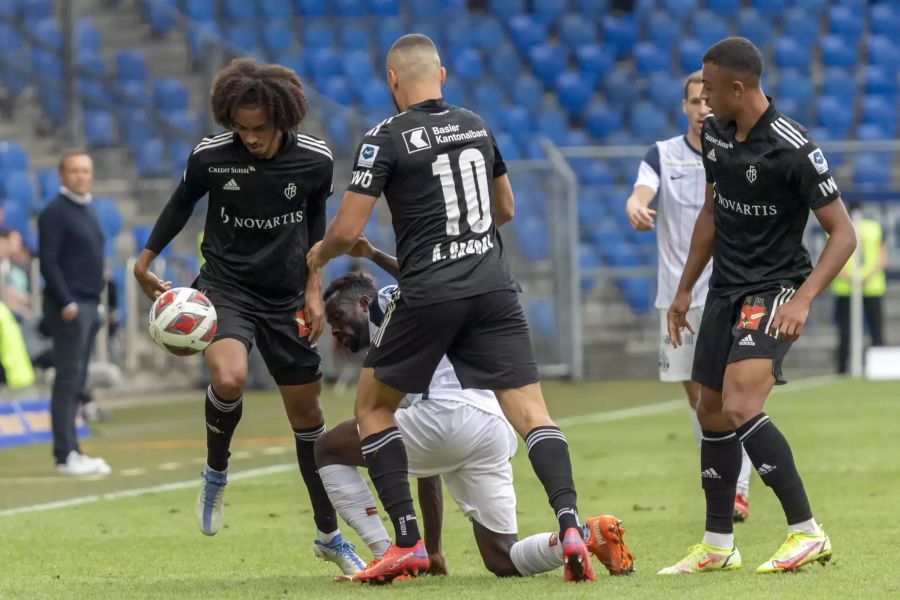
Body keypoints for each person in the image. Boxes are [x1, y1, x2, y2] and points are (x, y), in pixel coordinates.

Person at [307, 34, 598, 583]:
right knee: (535, 415)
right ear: (441, 75)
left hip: (431, 291)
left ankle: (407, 544)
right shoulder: (475, 124)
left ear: (392, 80)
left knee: (372, 410)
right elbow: (505, 208)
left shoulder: (383, 137)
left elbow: (346, 232)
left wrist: (316, 257)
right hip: (492, 286)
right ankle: (569, 524)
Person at [132, 58, 364, 574]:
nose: (250, 138)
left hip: (285, 295)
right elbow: (179, 205)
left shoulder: (315, 160)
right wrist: (144, 261)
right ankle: (216, 472)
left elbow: (316, 226)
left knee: (308, 419)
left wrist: (312, 289)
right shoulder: (212, 157)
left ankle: (328, 534)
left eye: (259, 129)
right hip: (225, 286)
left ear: (284, 118)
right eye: (240, 128)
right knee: (230, 377)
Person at [315, 244, 633, 580]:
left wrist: (374, 255)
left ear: (364, 304)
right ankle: (588, 535)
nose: (333, 329)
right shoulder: (401, 341)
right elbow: (427, 471)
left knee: (328, 449)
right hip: (489, 427)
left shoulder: (385, 305)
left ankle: (384, 553)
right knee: (503, 558)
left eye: (337, 315)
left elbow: (415, 279)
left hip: (447, 417)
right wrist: (434, 550)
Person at [660, 37, 856, 575]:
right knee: (711, 411)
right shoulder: (716, 136)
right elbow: (710, 213)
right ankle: (718, 544)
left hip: (773, 291)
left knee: (742, 403)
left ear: (739, 88)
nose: (703, 102)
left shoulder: (794, 147)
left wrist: (804, 298)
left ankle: (806, 532)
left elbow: (843, 235)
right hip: (724, 289)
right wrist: (683, 290)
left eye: (711, 91)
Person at [626, 70, 753, 522]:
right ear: (684, 107)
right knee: (699, 403)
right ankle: (720, 480)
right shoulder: (661, 155)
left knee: (731, 397)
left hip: (725, 292)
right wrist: (636, 207)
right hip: (675, 298)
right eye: (694, 102)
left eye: (707, 100)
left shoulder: (734, 152)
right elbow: (640, 193)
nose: (702, 108)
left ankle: (736, 489)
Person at [37, 149, 110, 476]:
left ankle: (75, 450)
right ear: (62, 176)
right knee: (67, 380)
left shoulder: (87, 208)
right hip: (69, 306)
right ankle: (64, 455)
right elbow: (49, 261)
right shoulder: (56, 211)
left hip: (88, 303)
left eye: (86, 170)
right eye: (75, 171)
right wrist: (66, 301)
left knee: (78, 379)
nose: (81, 176)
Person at [831, 201, 887, 374]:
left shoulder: (837, 228)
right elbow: (883, 258)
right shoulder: (875, 227)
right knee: (876, 330)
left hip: (845, 287)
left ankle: (842, 370)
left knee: (845, 332)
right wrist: (866, 277)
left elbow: (831, 260)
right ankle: (880, 370)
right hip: (872, 286)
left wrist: (851, 278)